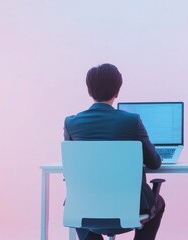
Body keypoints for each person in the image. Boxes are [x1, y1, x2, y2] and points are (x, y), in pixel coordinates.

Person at [63, 63, 165, 240]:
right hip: (131, 208)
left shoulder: (72, 123)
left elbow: (73, 168)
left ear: (89, 91)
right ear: (117, 91)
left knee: (78, 202)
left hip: (88, 205)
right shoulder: (131, 121)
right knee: (159, 202)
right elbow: (154, 163)